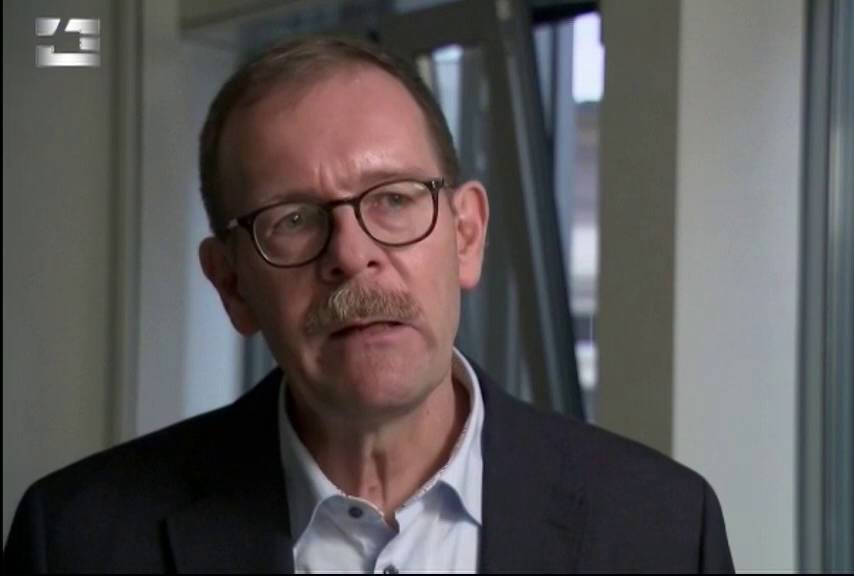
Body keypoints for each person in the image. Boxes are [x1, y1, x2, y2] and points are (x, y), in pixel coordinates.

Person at [4, 36, 734, 573]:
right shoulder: (76, 542)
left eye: (393, 200)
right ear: (231, 284)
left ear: (466, 235)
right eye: (293, 218)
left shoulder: (663, 530)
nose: (352, 254)